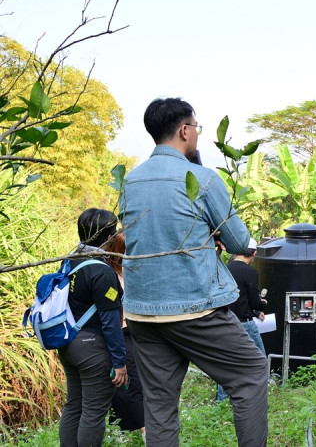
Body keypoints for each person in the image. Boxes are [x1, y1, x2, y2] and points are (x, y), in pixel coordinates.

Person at [119, 98, 268, 445]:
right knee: (250, 373)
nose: (197, 135)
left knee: (159, 404)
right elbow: (241, 243)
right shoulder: (201, 178)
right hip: (192, 308)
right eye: (196, 128)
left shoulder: (131, 182)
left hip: (141, 311)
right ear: (185, 131)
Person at [58, 208, 127, 447]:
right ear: (107, 236)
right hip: (92, 348)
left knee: (74, 406)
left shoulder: (70, 260)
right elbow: (110, 321)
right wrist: (119, 361)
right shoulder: (102, 270)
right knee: (94, 411)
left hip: (69, 343)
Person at [216, 238, 269, 402]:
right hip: (244, 324)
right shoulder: (249, 272)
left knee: (226, 361)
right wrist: (261, 305)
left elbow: (236, 299)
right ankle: (257, 397)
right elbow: (254, 300)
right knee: (260, 359)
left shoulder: (226, 268)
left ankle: (222, 400)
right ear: (253, 254)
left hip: (225, 320)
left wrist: (254, 312)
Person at [106, 232, 146, 440]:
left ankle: (127, 432)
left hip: (135, 333)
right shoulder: (112, 276)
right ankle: (145, 432)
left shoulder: (127, 273)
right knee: (131, 385)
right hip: (122, 334)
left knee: (138, 384)